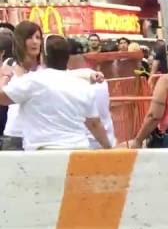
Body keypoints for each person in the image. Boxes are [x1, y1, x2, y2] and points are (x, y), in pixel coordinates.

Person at [0, 36, 111, 150]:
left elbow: (2, 98)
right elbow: (94, 124)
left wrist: (4, 76)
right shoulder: (82, 85)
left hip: (43, 153)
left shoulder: (32, 81)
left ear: (43, 56)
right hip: (77, 151)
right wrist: (109, 148)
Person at [1, 21, 45, 150]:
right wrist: (5, 77)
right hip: (14, 134)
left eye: (38, 37)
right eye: (30, 37)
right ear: (20, 40)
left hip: (40, 135)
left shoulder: (45, 67)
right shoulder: (9, 64)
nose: (35, 42)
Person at [69, 39, 115, 149]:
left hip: (87, 141)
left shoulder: (69, 80)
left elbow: (93, 120)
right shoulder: (100, 78)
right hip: (107, 136)